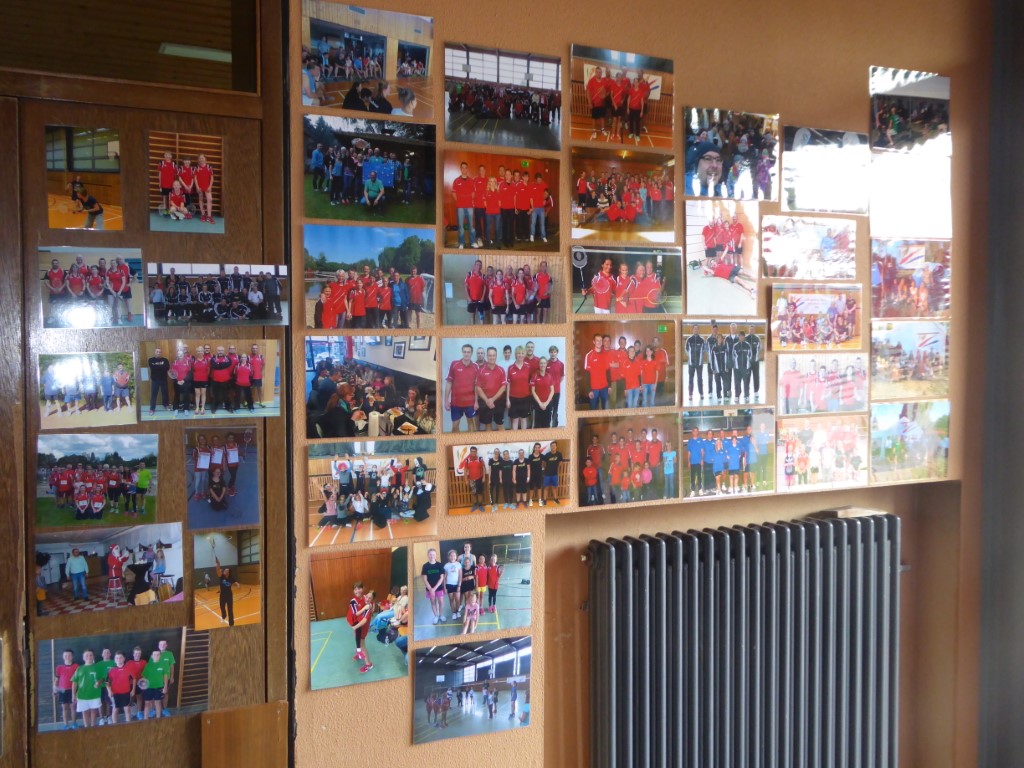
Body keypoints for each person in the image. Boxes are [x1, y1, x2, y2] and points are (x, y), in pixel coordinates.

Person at [71, 649, 103, 728]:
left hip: (95, 694)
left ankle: (93, 727)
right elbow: (74, 682)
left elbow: (103, 678)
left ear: (93, 657)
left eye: (90, 655)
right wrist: (73, 695)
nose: (89, 657)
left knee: (94, 711)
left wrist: (99, 682)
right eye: (86, 655)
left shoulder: (98, 667)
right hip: (82, 695)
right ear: (83, 657)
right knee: (85, 712)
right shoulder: (80, 668)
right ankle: (86, 728)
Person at [347, 582, 374, 673]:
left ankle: (369, 664)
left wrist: (355, 627)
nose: (357, 591)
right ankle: (358, 653)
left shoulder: (367, 604)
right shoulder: (359, 599)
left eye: (359, 588)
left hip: (362, 627)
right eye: (355, 589)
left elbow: (364, 621)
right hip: (358, 624)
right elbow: (355, 613)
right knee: (357, 638)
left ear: (363, 589)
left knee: (362, 645)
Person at [104, 651, 136, 724]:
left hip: (126, 693)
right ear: (115, 659)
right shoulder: (111, 670)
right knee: (115, 710)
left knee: (127, 710)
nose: (119, 659)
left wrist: (133, 689)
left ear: (124, 659)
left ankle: (128, 726)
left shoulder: (128, 668)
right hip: (115, 693)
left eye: (120, 657)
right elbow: (107, 682)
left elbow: (134, 678)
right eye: (117, 658)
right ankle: (115, 726)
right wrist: (109, 691)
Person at [141, 648, 171, 719]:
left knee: (157, 702)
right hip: (149, 688)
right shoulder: (148, 665)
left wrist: (165, 687)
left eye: (158, 655)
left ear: (160, 656)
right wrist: (143, 685)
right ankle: (145, 719)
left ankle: (158, 718)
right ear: (152, 656)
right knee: (147, 703)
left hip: (159, 687)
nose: (156, 656)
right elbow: (144, 677)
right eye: (154, 655)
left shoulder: (163, 665)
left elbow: (165, 677)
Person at [53, 648, 78, 730]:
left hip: (73, 690)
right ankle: (66, 725)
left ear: (72, 656)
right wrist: (54, 689)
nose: (67, 657)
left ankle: (74, 724)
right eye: (66, 655)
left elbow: (78, 680)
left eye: (69, 655)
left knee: (73, 707)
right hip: (62, 690)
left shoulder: (76, 666)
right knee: (64, 708)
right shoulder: (59, 668)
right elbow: (56, 680)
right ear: (63, 657)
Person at [421, 548, 446, 625]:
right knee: (433, 602)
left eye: (433, 554)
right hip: (429, 589)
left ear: (436, 555)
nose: (432, 556)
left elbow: (442, 578)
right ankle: (436, 616)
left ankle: (441, 615)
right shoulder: (425, 566)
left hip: (438, 588)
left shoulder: (439, 565)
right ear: (428, 555)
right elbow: (425, 579)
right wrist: (430, 589)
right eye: (430, 554)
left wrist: (434, 589)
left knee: (441, 602)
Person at [459, 446, 486, 514]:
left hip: (479, 479)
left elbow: (483, 468)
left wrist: (484, 477)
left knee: (479, 493)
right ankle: (475, 505)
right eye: (472, 451)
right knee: (473, 493)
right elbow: (465, 470)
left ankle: (480, 505)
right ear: (470, 452)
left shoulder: (480, 459)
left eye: (474, 451)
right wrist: (466, 480)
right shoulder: (467, 460)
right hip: (471, 480)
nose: (473, 453)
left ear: (476, 452)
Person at [215, 556, 239, 626]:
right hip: (222, 595)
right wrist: (218, 563)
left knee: (230, 609)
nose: (224, 571)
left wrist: (237, 585)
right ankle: (224, 615)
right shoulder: (222, 576)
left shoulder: (231, 578)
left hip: (229, 595)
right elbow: (218, 571)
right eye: (224, 570)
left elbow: (236, 582)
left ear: (228, 573)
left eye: (226, 571)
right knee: (222, 607)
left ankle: (231, 623)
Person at [147, 347, 170, 415]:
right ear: (155, 352)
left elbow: (167, 368)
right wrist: (162, 367)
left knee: (165, 393)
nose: (158, 353)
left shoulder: (165, 360)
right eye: (157, 352)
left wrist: (157, 366)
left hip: (163, 379)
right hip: (155, 380)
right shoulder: (151, 360)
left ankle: (166, 404)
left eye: (160, 352)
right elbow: (152, 368)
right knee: (154, 394)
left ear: (161, 353)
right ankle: (152, 408)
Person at [443, 549, 463, 620]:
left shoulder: (458, 564)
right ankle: (454, 612)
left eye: (454, 555)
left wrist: (459, 585)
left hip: (457, 585)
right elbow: (445, 577)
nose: (452, 557)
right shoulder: (446, 565)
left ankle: (457, 612)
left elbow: (460, 576)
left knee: (457, 599)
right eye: (451, 556)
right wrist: (445, 587)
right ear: (449, 557)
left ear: (456, 556)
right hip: (449, 585)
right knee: (451, 599)